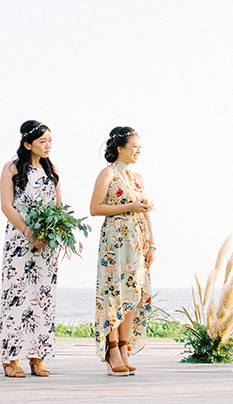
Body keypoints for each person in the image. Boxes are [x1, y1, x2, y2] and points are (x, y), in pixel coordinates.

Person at [0, 121, 62, 378]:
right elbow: (6, 206)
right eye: (42, 141)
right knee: (16, 296)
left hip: (46, 244)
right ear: (28, 144)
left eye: (50, 140)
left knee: (43, 297)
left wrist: (53, 232)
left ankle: (38, 356)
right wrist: (28, 232)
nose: (48, 146)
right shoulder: (11, 168)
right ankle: (11, 359)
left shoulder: (52, 169)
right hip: (19, 240)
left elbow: (59, 205)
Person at [91, 127, 154, 376]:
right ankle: (112, 350)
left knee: (133, 294)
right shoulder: (107, 173)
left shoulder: (137, 177)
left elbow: (145, 211)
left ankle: (125, 349)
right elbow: (95, 208)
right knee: (114, 293)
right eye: (134, 145)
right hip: (115, 242)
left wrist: (152, 243)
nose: (138, 150)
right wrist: (129, 205)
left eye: (140, 146)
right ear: (120, 148)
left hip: (137, 240)